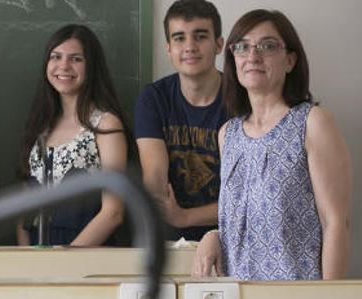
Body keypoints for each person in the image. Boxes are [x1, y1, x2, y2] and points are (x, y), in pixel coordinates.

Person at [192, 9, 350, 280]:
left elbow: (335, 223)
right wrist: (214, 234)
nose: (253, 56)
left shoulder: (312, 123)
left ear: (290, 60)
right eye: (242, 47)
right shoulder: (227, 134)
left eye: (267, 46)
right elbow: (247, 218)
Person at [16, 24, 132, 247]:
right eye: (56, 57)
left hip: (85, 254)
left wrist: (67, 260)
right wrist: (26, 257)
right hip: (35, 256)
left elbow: (113, 212)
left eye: (76, 59)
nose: (64, 66)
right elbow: (23, 209)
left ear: (91, 66)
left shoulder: (105, 124)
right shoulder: (40, 126)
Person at [135, 0, 227, 242]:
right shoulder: (154, 98)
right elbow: (154, 177)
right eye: (179, 38)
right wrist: (169, 213)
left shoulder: (242, 99)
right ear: (168, 48)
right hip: (168, 238)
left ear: (219, 44)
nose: (189, 47)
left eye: (200, 36)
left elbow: (246, 196)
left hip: (229, 236)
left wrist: (185, 216)